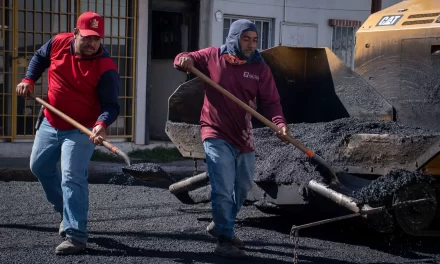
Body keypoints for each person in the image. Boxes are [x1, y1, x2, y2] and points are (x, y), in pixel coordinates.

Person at [174, 19, 289, 258]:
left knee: (243, 186)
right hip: (214, 132)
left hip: (243, 135)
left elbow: (271, 102)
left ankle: (220, 224)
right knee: (223, 187)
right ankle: (225, 240)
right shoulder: (214, 56)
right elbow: (183, 58)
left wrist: (279, 124)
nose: (251, 44)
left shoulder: (259, 67)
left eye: (255, 40)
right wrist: (183, 60)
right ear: (234, 37)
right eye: (246, 39)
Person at [16, 11, 120, 255]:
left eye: (96, 39)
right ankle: (66, 211)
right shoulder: (58, 43)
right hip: (51, 120)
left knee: (72, 176)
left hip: (82, 129)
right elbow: (39, 58)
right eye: (87, 38)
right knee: (39, 167)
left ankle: (76, 235)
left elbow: (111, 106)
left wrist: (101, 125)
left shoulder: (106, 67)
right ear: (75, 33)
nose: (92, 43)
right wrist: (29, 79)